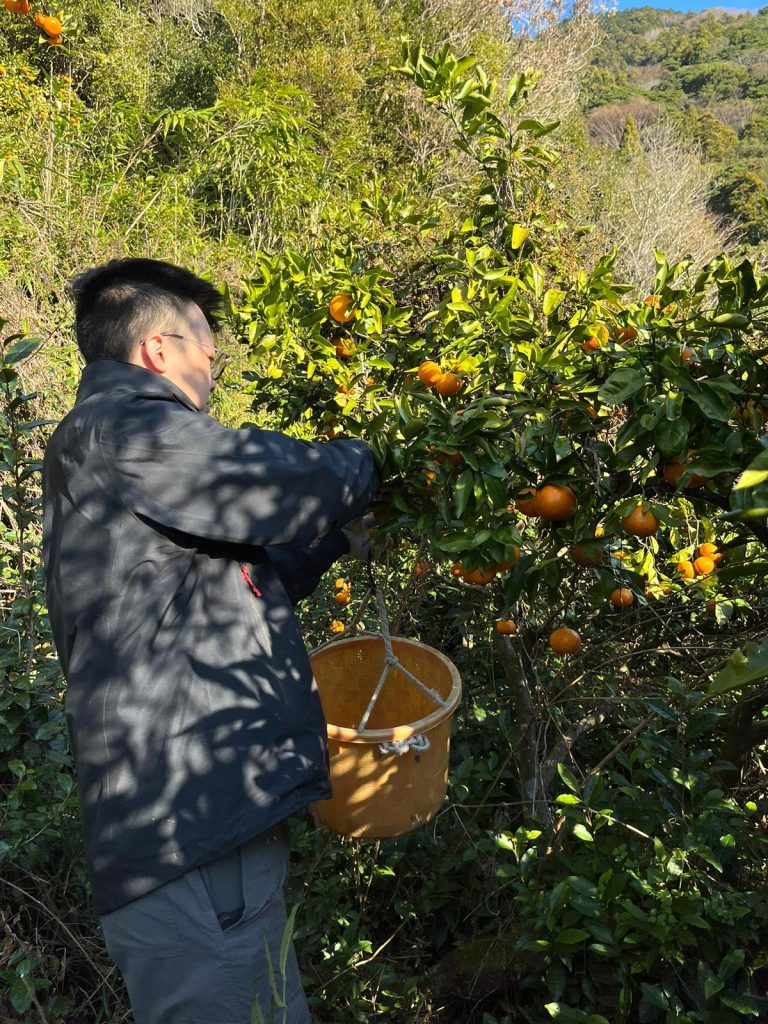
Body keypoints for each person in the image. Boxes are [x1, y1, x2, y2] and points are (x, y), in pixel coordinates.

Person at [41, 258, 381, 1024]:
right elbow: (265, 480)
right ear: (158, 349)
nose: (212, 368)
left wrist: (333, 537)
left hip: (192, 833)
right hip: (188, 832)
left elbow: (230, 576)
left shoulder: (110, 454)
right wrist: (364, 462)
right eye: (205, 348)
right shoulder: (126, 428)